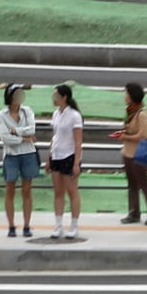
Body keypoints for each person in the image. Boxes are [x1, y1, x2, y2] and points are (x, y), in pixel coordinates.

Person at [0, 83, 38, 238]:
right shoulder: (2, 115)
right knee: (10, 190)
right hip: (11, 156)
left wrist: (16, 131)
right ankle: (11, 225)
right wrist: (25, 138)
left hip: (28, 154)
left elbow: (32, 129)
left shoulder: (27, 111)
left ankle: (27, 225)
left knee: (27, 190)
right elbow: (5, 138)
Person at [47, 84, 83, 239]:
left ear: (64, 97)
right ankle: (58, 225)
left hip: (69, 155)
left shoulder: (74, 116)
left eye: (56, 96)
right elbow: (55, 136)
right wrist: (49, 157)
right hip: (56, 155)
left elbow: (78, 141)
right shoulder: (56, 114)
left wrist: (76, 163)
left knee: (72, 191)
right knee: (58, 191)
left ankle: (74, 226)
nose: (54, 99)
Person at [118, 82, 147, 226]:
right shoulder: (130, 112)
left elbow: (144, 135)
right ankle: (134, 212)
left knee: (143, 183)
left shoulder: (141, 114)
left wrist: (126, 137)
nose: (125, 96)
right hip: (128, 152)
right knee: (132, 184)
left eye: (127, 94)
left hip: (139, 153)